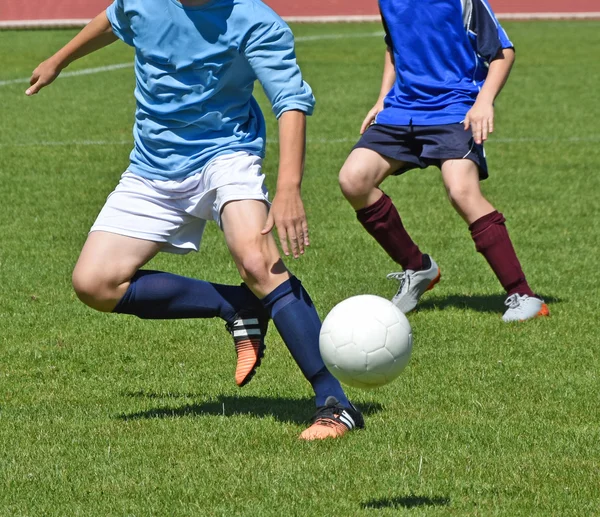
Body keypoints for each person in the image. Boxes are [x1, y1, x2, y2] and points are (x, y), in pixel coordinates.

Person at [26, 0, 363, 440]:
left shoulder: (254, 20)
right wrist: (58, 59)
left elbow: (290, 101)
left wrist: (288, 188)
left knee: (258, 261)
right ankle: (236, 305)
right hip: (151, 166)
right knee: (95, 283)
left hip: (226, 155)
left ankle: (334, 402)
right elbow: (113, 19)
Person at [338, 0, 550, 322]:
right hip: (402, 109)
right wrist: (383, 96)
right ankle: (418, 268)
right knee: (354, 180)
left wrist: (483, 102)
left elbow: (502, 52)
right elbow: (394, 44)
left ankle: (523, 296)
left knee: (461, 190)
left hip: (455, 108)